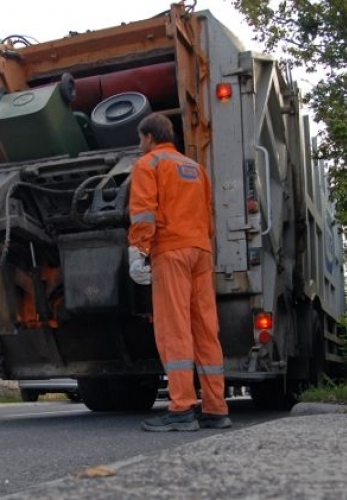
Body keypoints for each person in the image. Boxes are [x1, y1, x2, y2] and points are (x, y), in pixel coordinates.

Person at [128, 113, 231, 432]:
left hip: (171, 251)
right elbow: (209, 218)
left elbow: (144, 212)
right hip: (201, 251)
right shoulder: (196, 169)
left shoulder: (149, 164)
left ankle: (182, 408)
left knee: (175, 329)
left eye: (140, 139)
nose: (140, 144)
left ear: (148, 137)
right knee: (205, 328)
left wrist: (139, 251)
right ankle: (216, 409)